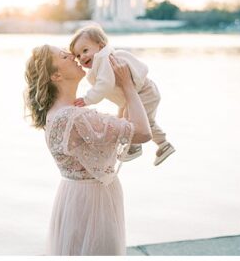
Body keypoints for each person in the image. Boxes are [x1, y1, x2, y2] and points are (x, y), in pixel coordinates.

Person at [25, 45, 152, 255]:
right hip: (94, 202)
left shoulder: (55, 113)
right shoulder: (77, 117)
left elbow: (111, 131)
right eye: (64, 56)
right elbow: (142, 132)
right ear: (56, 75)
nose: (73, 57)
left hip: (72, 196)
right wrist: (128, 86)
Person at [70, 25, 174, 165]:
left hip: (145, 92)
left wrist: (87, 99)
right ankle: (161, 144)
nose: (82, 57)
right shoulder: (100, 65)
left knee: (133, 121)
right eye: (78, 55)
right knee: (135, 120)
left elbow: (104, 84)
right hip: (138, 94)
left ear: (100, 47)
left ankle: (137, 146)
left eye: (85, 50)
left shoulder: (105, 60)